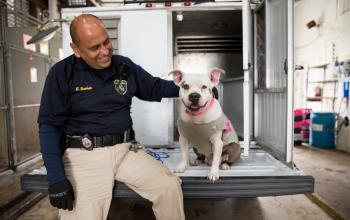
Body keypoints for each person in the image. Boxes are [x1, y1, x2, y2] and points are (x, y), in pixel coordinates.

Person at [38, 14, 185, 220]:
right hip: (85, 156)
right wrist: (55, 178)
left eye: (106, 41)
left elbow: (154, 87)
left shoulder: (123, 66)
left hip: (126, 151)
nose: (105, 51)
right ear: (76, 50)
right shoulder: (62, 73)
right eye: (95, 47)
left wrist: (193, 91)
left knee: (169, 187)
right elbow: (48, 127)